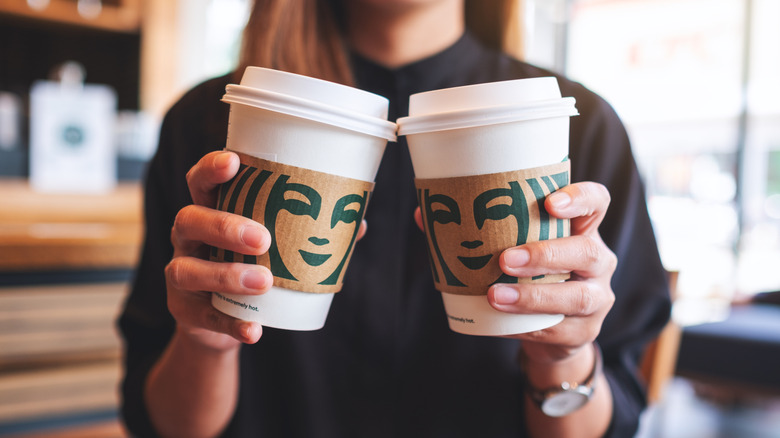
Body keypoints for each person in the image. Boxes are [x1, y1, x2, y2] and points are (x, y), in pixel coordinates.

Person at [118, 0, 671, 437]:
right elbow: (164, 425)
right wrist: (205, 339)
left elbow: (607, 423)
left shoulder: (579, 126)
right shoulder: (208, 123)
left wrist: (564, 356)